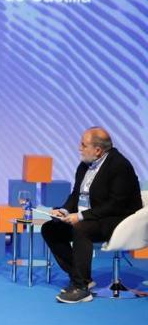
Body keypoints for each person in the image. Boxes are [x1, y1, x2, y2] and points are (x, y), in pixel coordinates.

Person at [42, 127, 142, 304]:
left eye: (83, 145)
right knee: (50, 228)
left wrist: (80, 216)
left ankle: (81, 289)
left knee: (82, 228)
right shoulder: (84, 164)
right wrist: (64, 211)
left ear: (98, 150)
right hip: (93, 216)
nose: (79, 148)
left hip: (119, 219)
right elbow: (76, 194)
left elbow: (115, 204)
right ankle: (82, 279)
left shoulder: (119, 166)